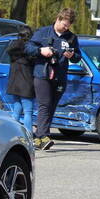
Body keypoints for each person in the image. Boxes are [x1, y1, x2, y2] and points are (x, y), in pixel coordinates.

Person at [27, 8, 81, 151]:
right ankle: (44, 136)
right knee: (44, 104)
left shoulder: (71, 38)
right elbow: (28, 48)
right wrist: (41, 51)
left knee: (51, 106)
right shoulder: (43, 32)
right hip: (43, 73)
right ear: (58, 19)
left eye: (68, 26)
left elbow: (78, 57)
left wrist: (72, 56)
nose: (66, 28)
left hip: (60, 76)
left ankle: (39, 138)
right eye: (64, 24)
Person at [4, 26, 37, 144]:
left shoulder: (12, 47)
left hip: (14, 84)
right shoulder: (29, 49)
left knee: (16, 111)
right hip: (26, 84)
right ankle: (28, 137)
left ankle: (11, 134)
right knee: (28, 111)